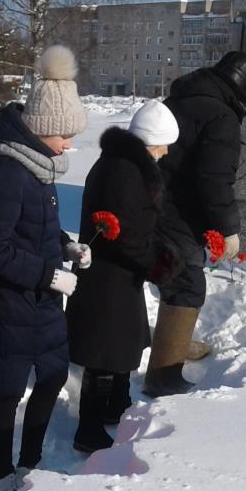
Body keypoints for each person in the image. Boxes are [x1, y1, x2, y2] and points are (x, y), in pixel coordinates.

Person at [0, 44, 91, 491]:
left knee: (53, 376)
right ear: (43, 129)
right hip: (11, 301)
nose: (69, 144)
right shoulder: (8, 172)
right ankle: (1, 473)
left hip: (41, 300)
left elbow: (37, 229)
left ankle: (31, 461)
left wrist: (67, 245)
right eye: (65, 134)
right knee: (9, 390)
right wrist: (48, 275)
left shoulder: (40, 168)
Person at [66, 100, 180, 451]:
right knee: (105, 354)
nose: (164, 152)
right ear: (150, 140)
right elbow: (124, 233)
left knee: (119, 348)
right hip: (107, 276)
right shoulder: (123, 171)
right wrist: (157, 263)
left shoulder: (126, 164)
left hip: (116, 275)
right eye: (162, 144)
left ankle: (115, 407)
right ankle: (89, 429)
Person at [145, 51, 246, 398]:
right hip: (177, 210)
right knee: (187, 284)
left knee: (175, 277)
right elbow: (214, 179)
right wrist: (228, 229)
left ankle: (176, 346)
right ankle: (163, 375)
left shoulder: (180, 98)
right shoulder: (221, 116)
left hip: (151, 202)